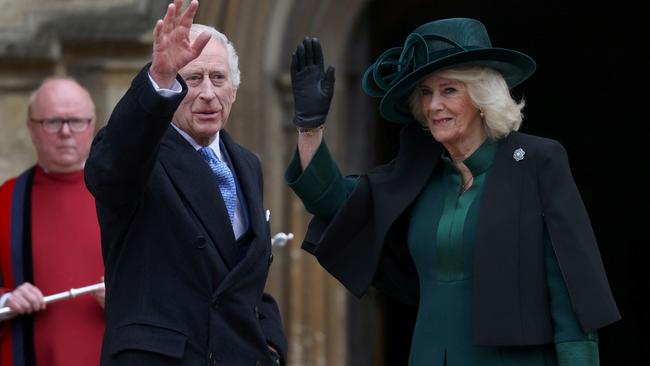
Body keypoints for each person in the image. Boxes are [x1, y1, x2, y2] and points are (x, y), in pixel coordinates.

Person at [286, 18, 621, 365]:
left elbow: (571, 288)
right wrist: (310, 126)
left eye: (449, 90)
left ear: (481, 97)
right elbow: (331, 201)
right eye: (426, 93)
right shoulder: (418, 173)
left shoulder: (537, 161)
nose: (434, 106)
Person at [84, 1, 287, 365]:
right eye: (192, 79)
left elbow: (244, 276)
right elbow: (109, 170)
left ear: (234, 91)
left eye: (218, 78)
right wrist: (159, 77)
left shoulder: (247, 164)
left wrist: (270, 342)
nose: (208, 93)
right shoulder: (142, 154)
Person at [0, 77, 105, 366]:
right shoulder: (6, 200)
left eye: (76, 121)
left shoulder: (126, 195)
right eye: (52, 122)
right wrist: (6, 300)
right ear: (31, 128)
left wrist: (130, 297)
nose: (65, 132)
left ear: (92, 125)